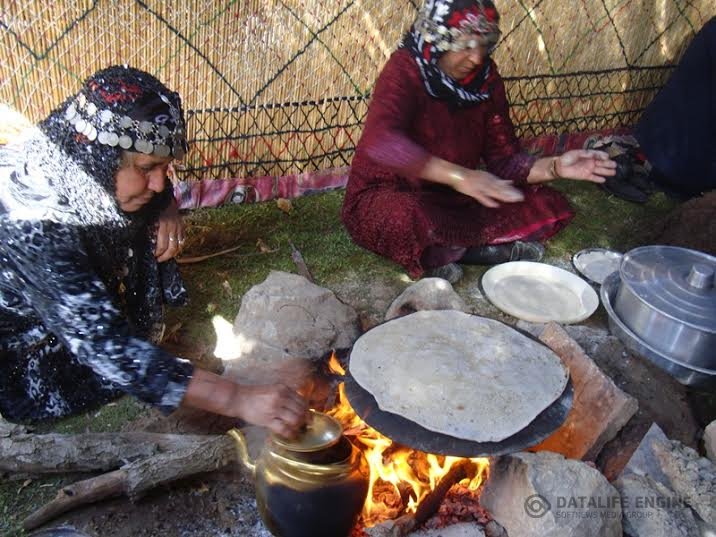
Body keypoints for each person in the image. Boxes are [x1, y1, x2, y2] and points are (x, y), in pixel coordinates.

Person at [0, 66, 307, 436]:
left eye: (165, 167)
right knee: (105, 361)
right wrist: (238, 398)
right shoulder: (36, 223)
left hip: (53, 282)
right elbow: (107, 347)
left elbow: (147, 180)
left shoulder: (81, 134)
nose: (161, 182)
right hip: (19, 346)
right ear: (100, 158)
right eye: (148, 169)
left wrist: (165, 207)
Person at [341, 0, 617, 283]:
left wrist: (556, 167)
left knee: (544, 201)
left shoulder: (485, 79)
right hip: (388, 194)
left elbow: (505, 159)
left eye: (484, 45)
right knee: (403, 217)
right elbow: (381, 141)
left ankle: (455, 250)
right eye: (466, 45)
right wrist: (458, 175)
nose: (476, 58)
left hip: (456, 195)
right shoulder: (405, 69)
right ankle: (474, 250)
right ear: (438, 39)